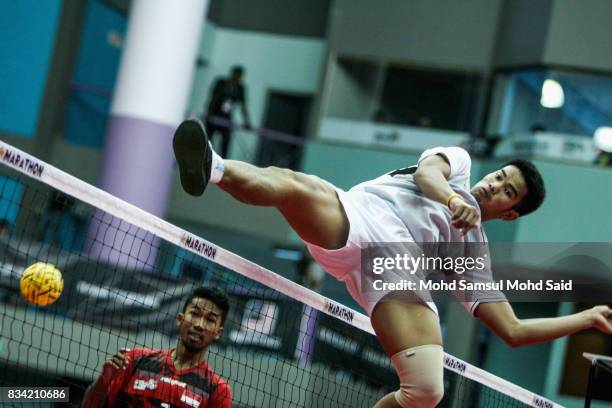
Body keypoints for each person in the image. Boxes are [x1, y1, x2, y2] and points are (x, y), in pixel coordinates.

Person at [172, 119, 612, 408]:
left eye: (507, 191)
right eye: (500, 176)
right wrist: (455, 199)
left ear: (511, 213)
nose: (494, 185)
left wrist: (584, 317)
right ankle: (214, 167)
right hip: (356, 218)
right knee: (293, 184)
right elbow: (426, 176)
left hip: (397, 271)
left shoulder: (472, 253)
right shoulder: (458, 168)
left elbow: (512, 330)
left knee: (426, 389)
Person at [82, 286, 232, 407]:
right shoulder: (135, 360)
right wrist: (104, 379)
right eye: (195, 314)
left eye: (210, 320)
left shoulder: (218, 390)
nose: (199, 324)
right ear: (180, 319)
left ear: (218, 333)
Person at [203, 66, 252, 157]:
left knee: (226, 143)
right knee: (207, 141)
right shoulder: (221, 83)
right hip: (214, 115)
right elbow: (212, 98)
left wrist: (247, 122)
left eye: (240, 77)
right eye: (237, 76)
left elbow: (243, 106)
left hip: (226, 119)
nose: (238, 78)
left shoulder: (240, 88)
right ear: (232, 74)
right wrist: (208, 113)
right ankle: (204, 158)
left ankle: (224, 163)